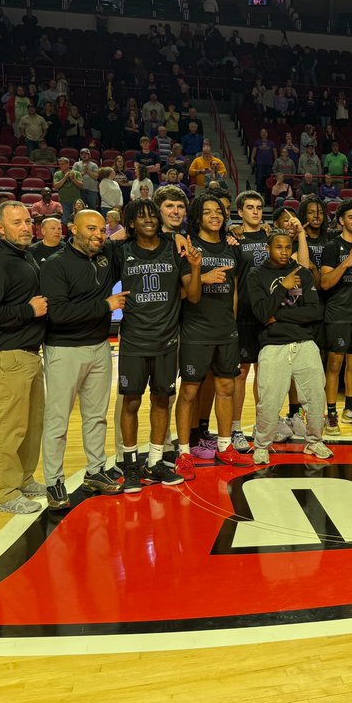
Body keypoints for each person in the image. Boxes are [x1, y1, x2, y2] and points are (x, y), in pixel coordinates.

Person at [113, 198, 202, 492]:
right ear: (131, 223)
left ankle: (154, 461)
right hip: (135, 341)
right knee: (132, 402)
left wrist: (196, 267)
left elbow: (194, 294)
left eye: (152, 215)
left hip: (167, 340)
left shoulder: (173, 249)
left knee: (162, 400)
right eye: (141, 217)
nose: (149, 220)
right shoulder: (121, 251)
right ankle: (129, 464)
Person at [38, 210, 127, 508]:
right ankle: (54, 482)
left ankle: (95, 471)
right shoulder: (55, 265)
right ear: (72, 228)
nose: (98, 235)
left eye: (102, 230)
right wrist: (106, 305)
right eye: (91, 229)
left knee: (96, 416)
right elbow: (59, 314)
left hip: (100, 347)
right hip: (64, 350)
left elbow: (131, 235)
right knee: (57, 420)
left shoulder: (104, 257)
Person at [0, 201, 49, 515]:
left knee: (31, 426)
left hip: (27, 354)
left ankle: (23, 479)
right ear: (0, 228)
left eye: (28, 221)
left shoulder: (24, 256)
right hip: (6, 356)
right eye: (17, 222)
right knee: (9, 428)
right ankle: (4, 494)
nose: (26, 227)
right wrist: (28, 311)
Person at [246, 232, 334, 464]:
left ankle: (314, 442)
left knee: (316, 396)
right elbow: (262, 313)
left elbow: (314, 312)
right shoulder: (256, 275)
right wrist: (282, 288)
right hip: (273, 345)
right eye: (278, 247)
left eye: (287, 247)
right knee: (269, 401)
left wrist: (278, 315)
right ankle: (262, 445)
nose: (284, 252)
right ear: (268, 248)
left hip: (305, 343)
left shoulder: (303, 273)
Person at [174, 195, 242, 478]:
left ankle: (225, 445)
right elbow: (187, 295)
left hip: (226, 330)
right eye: (208, 212)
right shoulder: (188, 247)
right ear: (197, 217)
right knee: (190, 391)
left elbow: (234, 290)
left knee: (226, 387)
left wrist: (232, 322)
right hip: (196, 330)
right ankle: (184, 452)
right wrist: (203, 275)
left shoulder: (231, 247)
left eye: (219, 211)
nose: (215, 215)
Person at [319, 199, 352, 432]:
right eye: (351, 217)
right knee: (335, 364)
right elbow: (325, 283)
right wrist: (346, 263)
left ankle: (349, 407)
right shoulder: (332, 246)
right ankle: (330, 412)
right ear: (341, 221)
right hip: (337, 313)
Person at [228, 190, 271, 453]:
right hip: (243, 313)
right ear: (240, 212)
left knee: (264, 373)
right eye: (250, 207)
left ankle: (261, 424)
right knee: (241, 372)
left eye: (258, 207)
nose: (255, 211)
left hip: (267, 313)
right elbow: (233, 281)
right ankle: (236, 428)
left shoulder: (270, 235)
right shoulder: (233, 239)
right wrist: (231, 317)